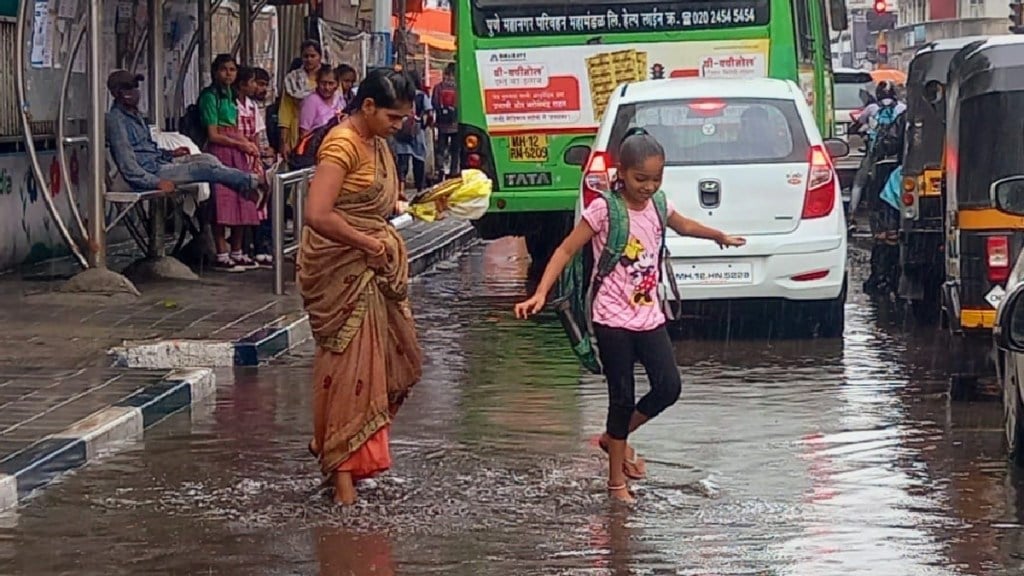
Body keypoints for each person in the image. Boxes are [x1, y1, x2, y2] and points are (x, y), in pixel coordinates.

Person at [513, 131, 746, 503]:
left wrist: (717, 235)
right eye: (641, 179)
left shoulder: (658, 205)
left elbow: (683, 224)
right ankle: (615, 483)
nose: (649, 187)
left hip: (648, 316)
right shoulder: (604, 209)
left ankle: (612, 439)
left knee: (668, 387)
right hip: (611, 317)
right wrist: (541, 292)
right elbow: (566, 249)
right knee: (621, 397)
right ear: (621, 172)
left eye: (656, 179)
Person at [298, 68, 426, 506]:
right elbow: (317, 213)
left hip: (376, 266)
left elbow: (384, 203)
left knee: (398, 361)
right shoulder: (341, 143)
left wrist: (429, 204)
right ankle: (343, 479)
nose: (399, 126)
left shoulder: (378, 143)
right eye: (393, 117)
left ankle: (342, 453)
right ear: (367, 106)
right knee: (349, 369)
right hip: (343, 270)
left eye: (402, 118)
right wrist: (368, 242)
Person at [105, 70, 262, 196]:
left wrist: (171, 154)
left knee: (208, 158)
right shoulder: (117, 121)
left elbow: (148, 149)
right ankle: (253, 182)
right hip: (152, 172)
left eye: (135, 87)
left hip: (160, 162)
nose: (134, 92)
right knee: (205, 168)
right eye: (129, 88)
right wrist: (155, 182)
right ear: (118, 93)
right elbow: (128, 165)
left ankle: (245, 190)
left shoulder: (135, 115)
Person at [199, 53, 262, 271]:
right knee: (222, 202)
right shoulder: (209, 96)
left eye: (233, 70)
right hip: (221, 151)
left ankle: (238, 250)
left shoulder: (230, 96)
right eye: (224, 69)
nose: (229, 74)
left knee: (244, 198)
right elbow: (214, 134)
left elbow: (235, 127)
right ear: (216, 72)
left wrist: (248, 145)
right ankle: (221, 252)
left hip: (238, 149)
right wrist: (239, 144)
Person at [847, 80, 905, 233]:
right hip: (897, 154)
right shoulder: (902, 108)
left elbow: (858, 125)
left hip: (875, 153)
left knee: (859, 182)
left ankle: (851, 216)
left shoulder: (872, 108)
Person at [279, 40, 323, 163]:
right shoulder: (292, 80)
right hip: (297, 131)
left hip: (322, 130)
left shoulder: (327, 79)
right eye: (306, 56)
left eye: (313, 56)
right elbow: (285, 112)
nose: (309, 59)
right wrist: (284, 142)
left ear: (320, 57)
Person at [391, 71, 432, 195]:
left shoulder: (399, 95)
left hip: (400, 131)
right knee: (419, 161)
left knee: (402, 162)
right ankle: (420, 189)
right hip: (417, 132)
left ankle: (401, 189)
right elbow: (429, 113)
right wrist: (425, 125)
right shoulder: (421, 96)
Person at [299, 65, 346, 138]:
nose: (327, 87)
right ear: (317, 83)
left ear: (337, 84)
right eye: (323, 83)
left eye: (331, 83)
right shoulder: (311, 101)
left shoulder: (339, 101)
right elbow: (304, 132)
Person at [431, 63, 459, 180]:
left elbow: (434, 103)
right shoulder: (458, 87)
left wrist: (441, 112)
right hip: (455, 124)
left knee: (441, 148)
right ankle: (453, 171)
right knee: (455, 150)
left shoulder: (439, 87)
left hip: (442, 124)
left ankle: (440, 169)